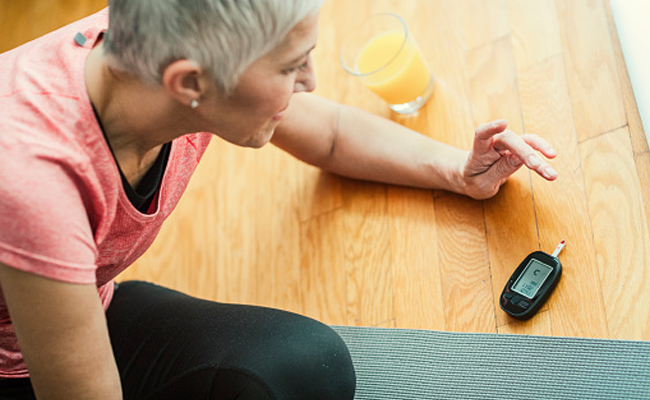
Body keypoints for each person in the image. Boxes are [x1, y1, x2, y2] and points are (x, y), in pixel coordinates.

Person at [0, 0, 558, 399]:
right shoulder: (34, 178)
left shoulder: (160, 52)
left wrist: (459, 173)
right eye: (292, 67)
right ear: (189, 84)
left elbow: (332, 133)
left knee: (308, 367)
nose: (311, 82)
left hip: (83, 302)